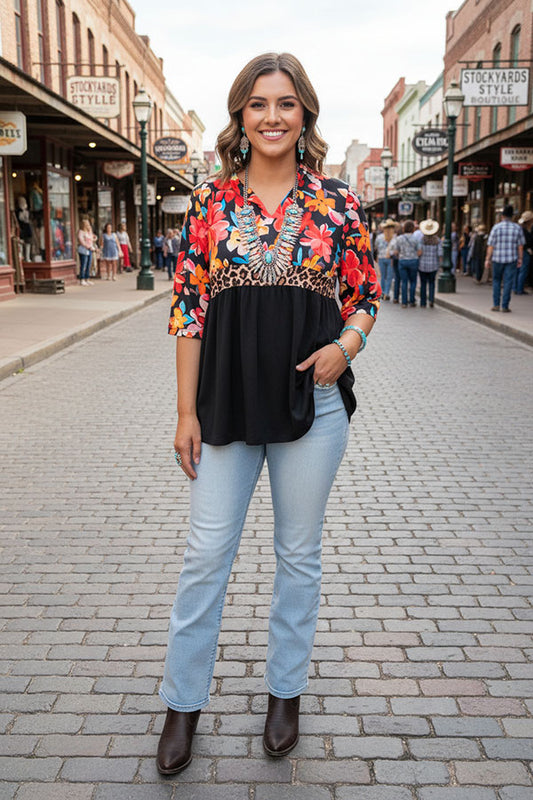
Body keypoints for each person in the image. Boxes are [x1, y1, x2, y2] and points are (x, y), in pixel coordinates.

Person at [157, 52, 381, 776]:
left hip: (312, 405)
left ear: (304, 115)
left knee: (297, 557)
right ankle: (182, 703)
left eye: (285, 103)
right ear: (240, 117)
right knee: (204, 557)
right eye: (258, 104)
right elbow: (189, 312)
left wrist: (344, 348)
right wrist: (184, 412)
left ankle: (284, 693)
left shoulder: (338, 203)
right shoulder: (209, 205)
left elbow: (366, 297)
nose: (272, 116)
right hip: (223, 405)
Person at [485, 204, 525, 312]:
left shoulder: (496, 227)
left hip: (497, 258)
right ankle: (505, 305)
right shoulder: (517, 228)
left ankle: (496, 304)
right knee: (508, 281)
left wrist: (487, 259)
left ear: (502, 216)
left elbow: (491, 245)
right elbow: (520, 246)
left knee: (496, 281)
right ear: (512, 216)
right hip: (511, 259)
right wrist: (520, 259)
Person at [391, 219, 421, 307]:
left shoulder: (399, 239)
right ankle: (412, 300)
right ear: (412, 229)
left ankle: (404, 302)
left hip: (403, 261)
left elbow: (396, 251)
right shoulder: (416, 239)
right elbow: (419, 252)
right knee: (413, 281)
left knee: (404, 282)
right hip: (413, 261)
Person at [418, 219, 442, 308]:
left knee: (423, 284)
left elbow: (419, 252)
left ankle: (423, 302)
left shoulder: (422, 240)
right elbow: (440, 253)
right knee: (432, 283)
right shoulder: (437, 240)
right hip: (433, 265)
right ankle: (431, 300)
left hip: (422, 265)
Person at [374, 219, 396, 300]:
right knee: (389, 277)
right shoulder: (394, 237)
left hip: (381, 258)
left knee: (382, 276)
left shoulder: (379, 237)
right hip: (390, 259)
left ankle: (382, 292)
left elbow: (376, 247)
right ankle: (387, 292)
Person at [516, 210, 533, 295]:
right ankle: (519, 288)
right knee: (523, 270)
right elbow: (526, 241)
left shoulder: (519, 228)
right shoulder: (524, 230)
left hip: (518, 250)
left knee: (518, 270)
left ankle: (516, 287)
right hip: (524, 251)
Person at [77, 219, 94, 286]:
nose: (88, 225)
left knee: (88, 264)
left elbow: (91, 239)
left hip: (90, 249)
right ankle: (82, 279)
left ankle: (87, 278)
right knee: (83, 264)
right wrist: (87, 246)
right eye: (86, 224)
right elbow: (81, 240)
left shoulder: (89, 231)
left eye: (88, 224)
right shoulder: (81, 232)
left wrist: (91, 245)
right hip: (83, 250)